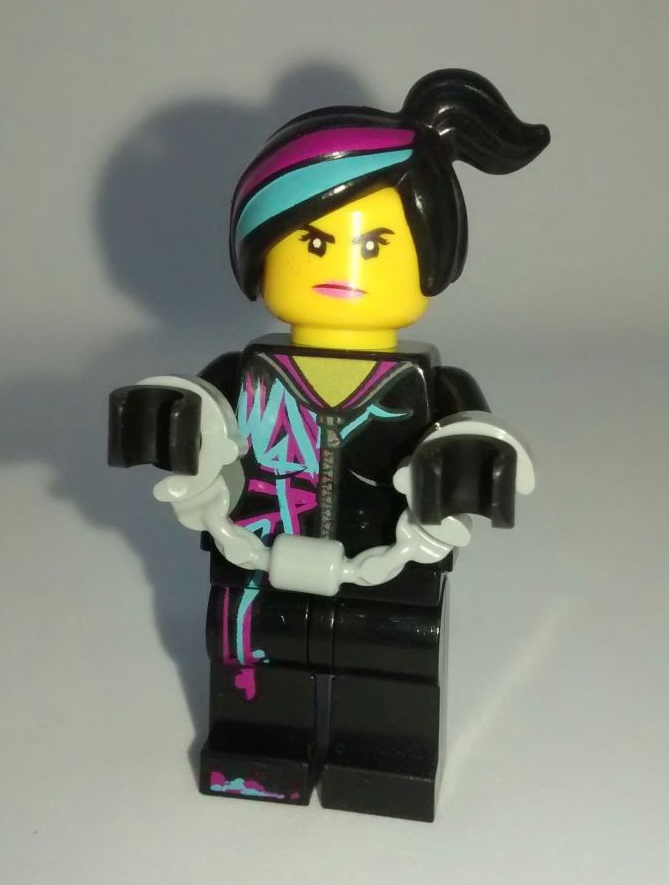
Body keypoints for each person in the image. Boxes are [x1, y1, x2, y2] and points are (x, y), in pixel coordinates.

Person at [109, 69, 549, 821]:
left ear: (432, 261)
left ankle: (382, 763)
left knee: (393, 663)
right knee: (248, 655)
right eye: (312, 242)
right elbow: (203, 411)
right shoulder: (246, 375)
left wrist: (465, 457)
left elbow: (469, 432)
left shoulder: (429, 386)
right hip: (254, 562)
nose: (342, 268)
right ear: (260, 252)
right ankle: (258, 754)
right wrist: (177, 421)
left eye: (376, 245)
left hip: (394, 568)